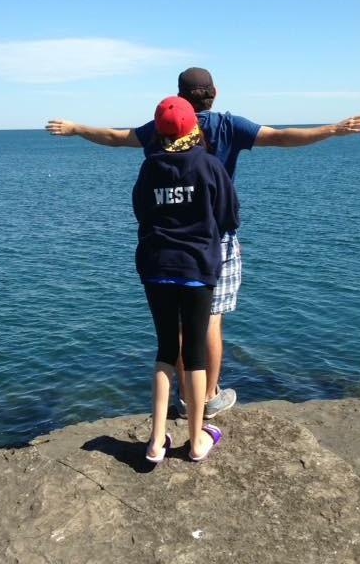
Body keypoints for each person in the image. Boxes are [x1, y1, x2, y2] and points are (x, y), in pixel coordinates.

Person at [47, 67, 360, 417]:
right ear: (214, 92)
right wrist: (332, 130)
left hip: (167, 242)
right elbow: (281, 137)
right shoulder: (229, 126)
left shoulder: (161, 127)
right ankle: (207, 397)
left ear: (178, 95)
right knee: (211, 320)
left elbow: (115, 137)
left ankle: (184, 395)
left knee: (177, 326)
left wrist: (76, 128)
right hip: (213, 238)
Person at [132, 96, 239, 462]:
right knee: (193, 354)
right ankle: (196, 442)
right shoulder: (209, 164)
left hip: (156, 266)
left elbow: (140, 211)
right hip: (197, 266)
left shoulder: (150, 166)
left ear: (158, 130)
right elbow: (229, 216)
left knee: (165, 350)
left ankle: (155, 441)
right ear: (193, 126)